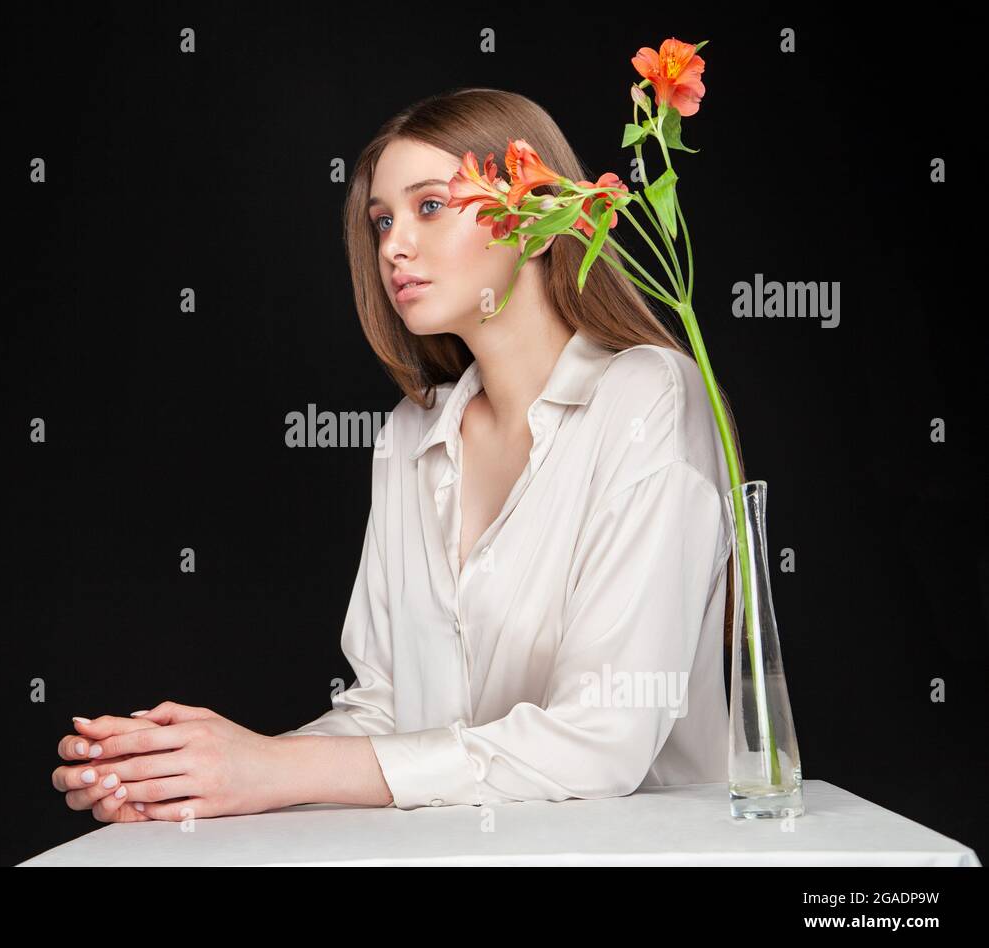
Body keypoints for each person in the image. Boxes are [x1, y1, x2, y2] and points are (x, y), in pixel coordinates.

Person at [50, 88, 745, 823]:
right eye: (381, 220)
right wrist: (197, 778)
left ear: (539, 223)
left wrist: (272, 769)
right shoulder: (410, 436)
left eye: (430, 207)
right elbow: (388, 710)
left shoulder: (650, 397)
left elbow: (603, 738)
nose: (393, 246)